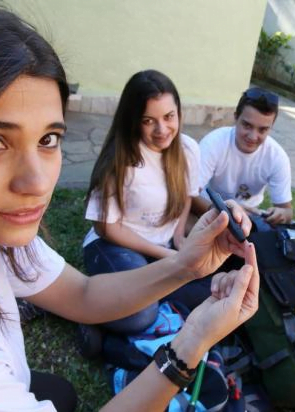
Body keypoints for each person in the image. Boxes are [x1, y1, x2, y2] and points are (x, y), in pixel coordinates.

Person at [0, 2, 259, 411]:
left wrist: (187, 264)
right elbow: (107, 238)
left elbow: (83, 293)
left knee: (61, 394)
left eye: (48, 140)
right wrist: (190, 344)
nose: (38, 182)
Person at [83, 70, 203, 327]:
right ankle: (85, 314)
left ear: (179, 112)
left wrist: (179, 237)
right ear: (134, 120)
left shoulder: (188, 150)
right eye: (149, 121)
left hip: (164, 248)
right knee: (141, 314)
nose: (162, 130)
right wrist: (165, 254)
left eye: (169, 117)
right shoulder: (120, 161)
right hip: (115, 247)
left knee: (207, 292)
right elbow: (105, 227)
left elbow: (186, 198)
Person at [192, 87, 293, 229]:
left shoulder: (277, 157)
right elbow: (189, 195)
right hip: (208, 210)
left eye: (262, 130)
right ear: (235, 117)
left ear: (271, 127)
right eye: (247, 125)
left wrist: (281, 213)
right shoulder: (213, 143)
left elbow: (287, 210)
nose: (253, 136)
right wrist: (224, 214)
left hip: (249, 218)